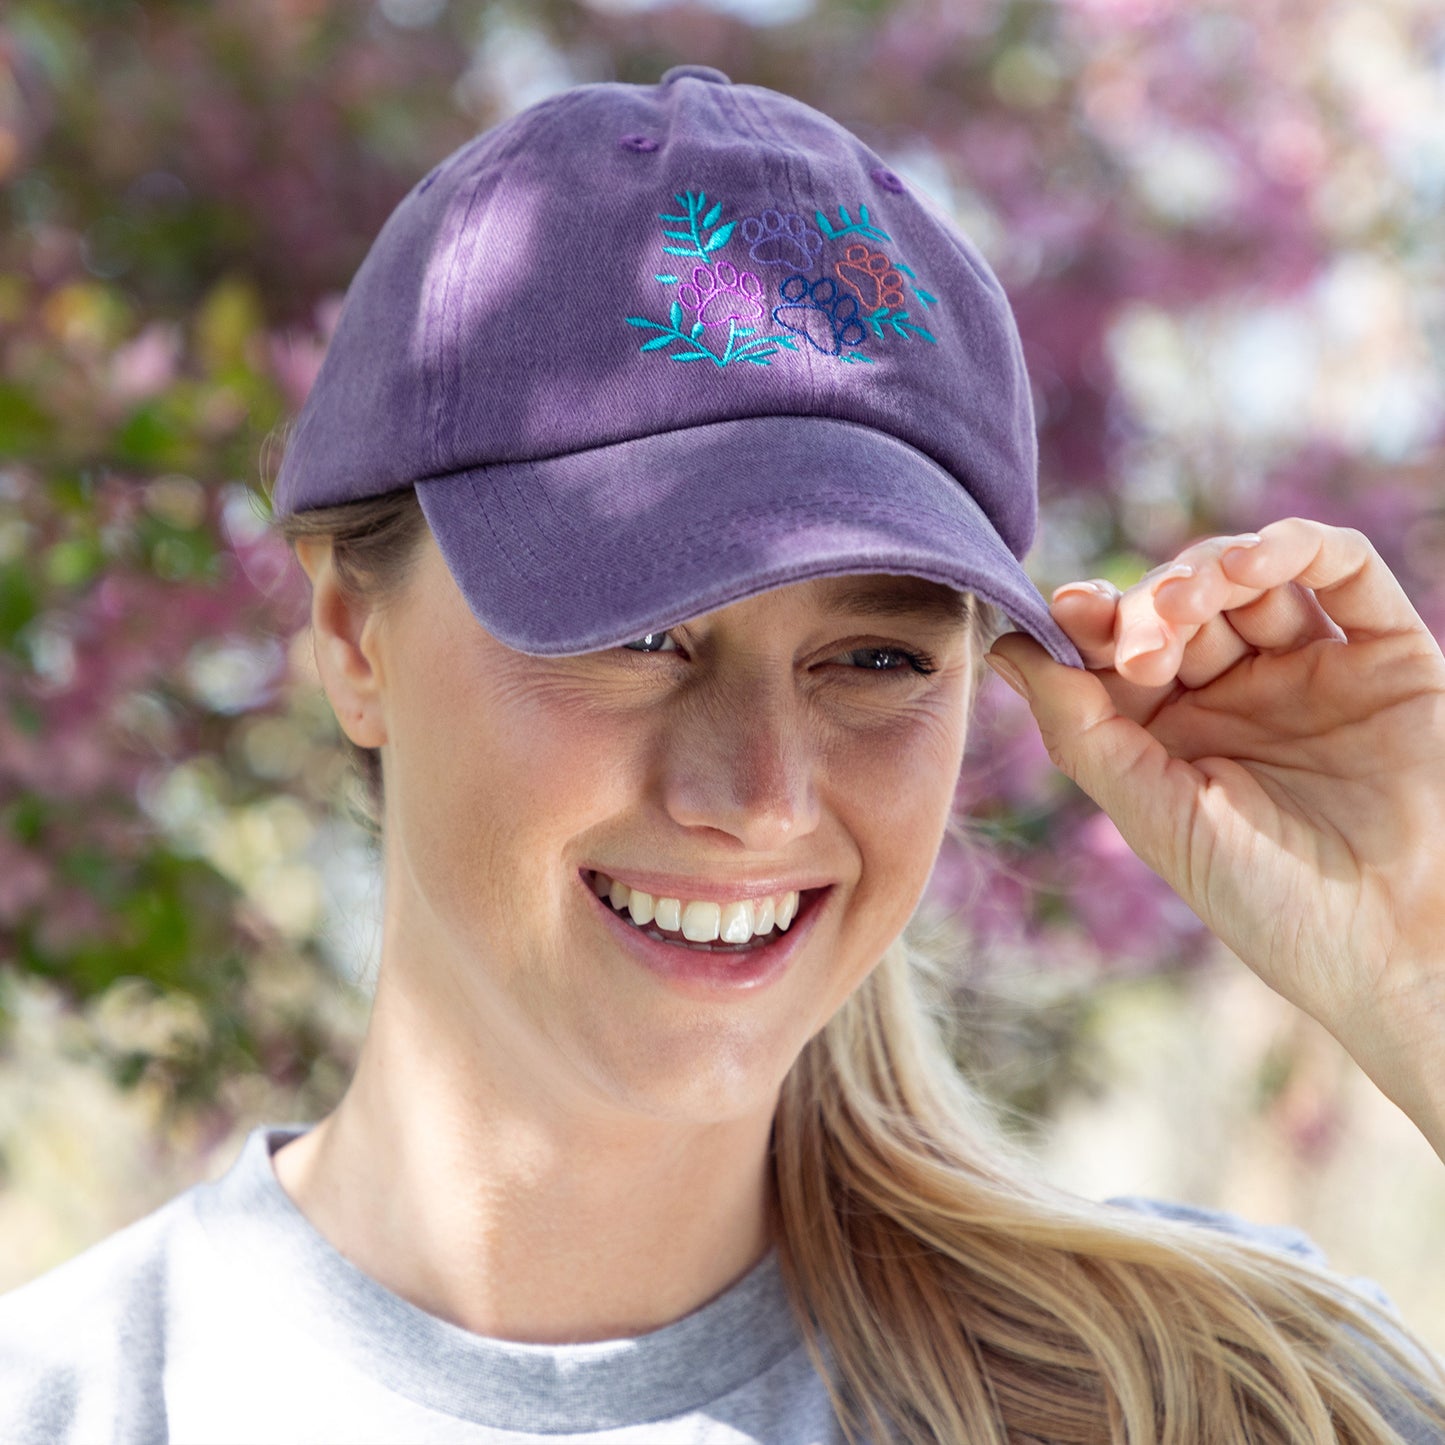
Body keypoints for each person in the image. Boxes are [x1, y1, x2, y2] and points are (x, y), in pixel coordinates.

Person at [2, 63, 1443, 1445]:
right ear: (349, 633)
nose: (758, 792)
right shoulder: (67, 1405)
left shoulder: (1225, 1399)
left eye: (874, 658)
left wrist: (1419, 971)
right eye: (634, 631)